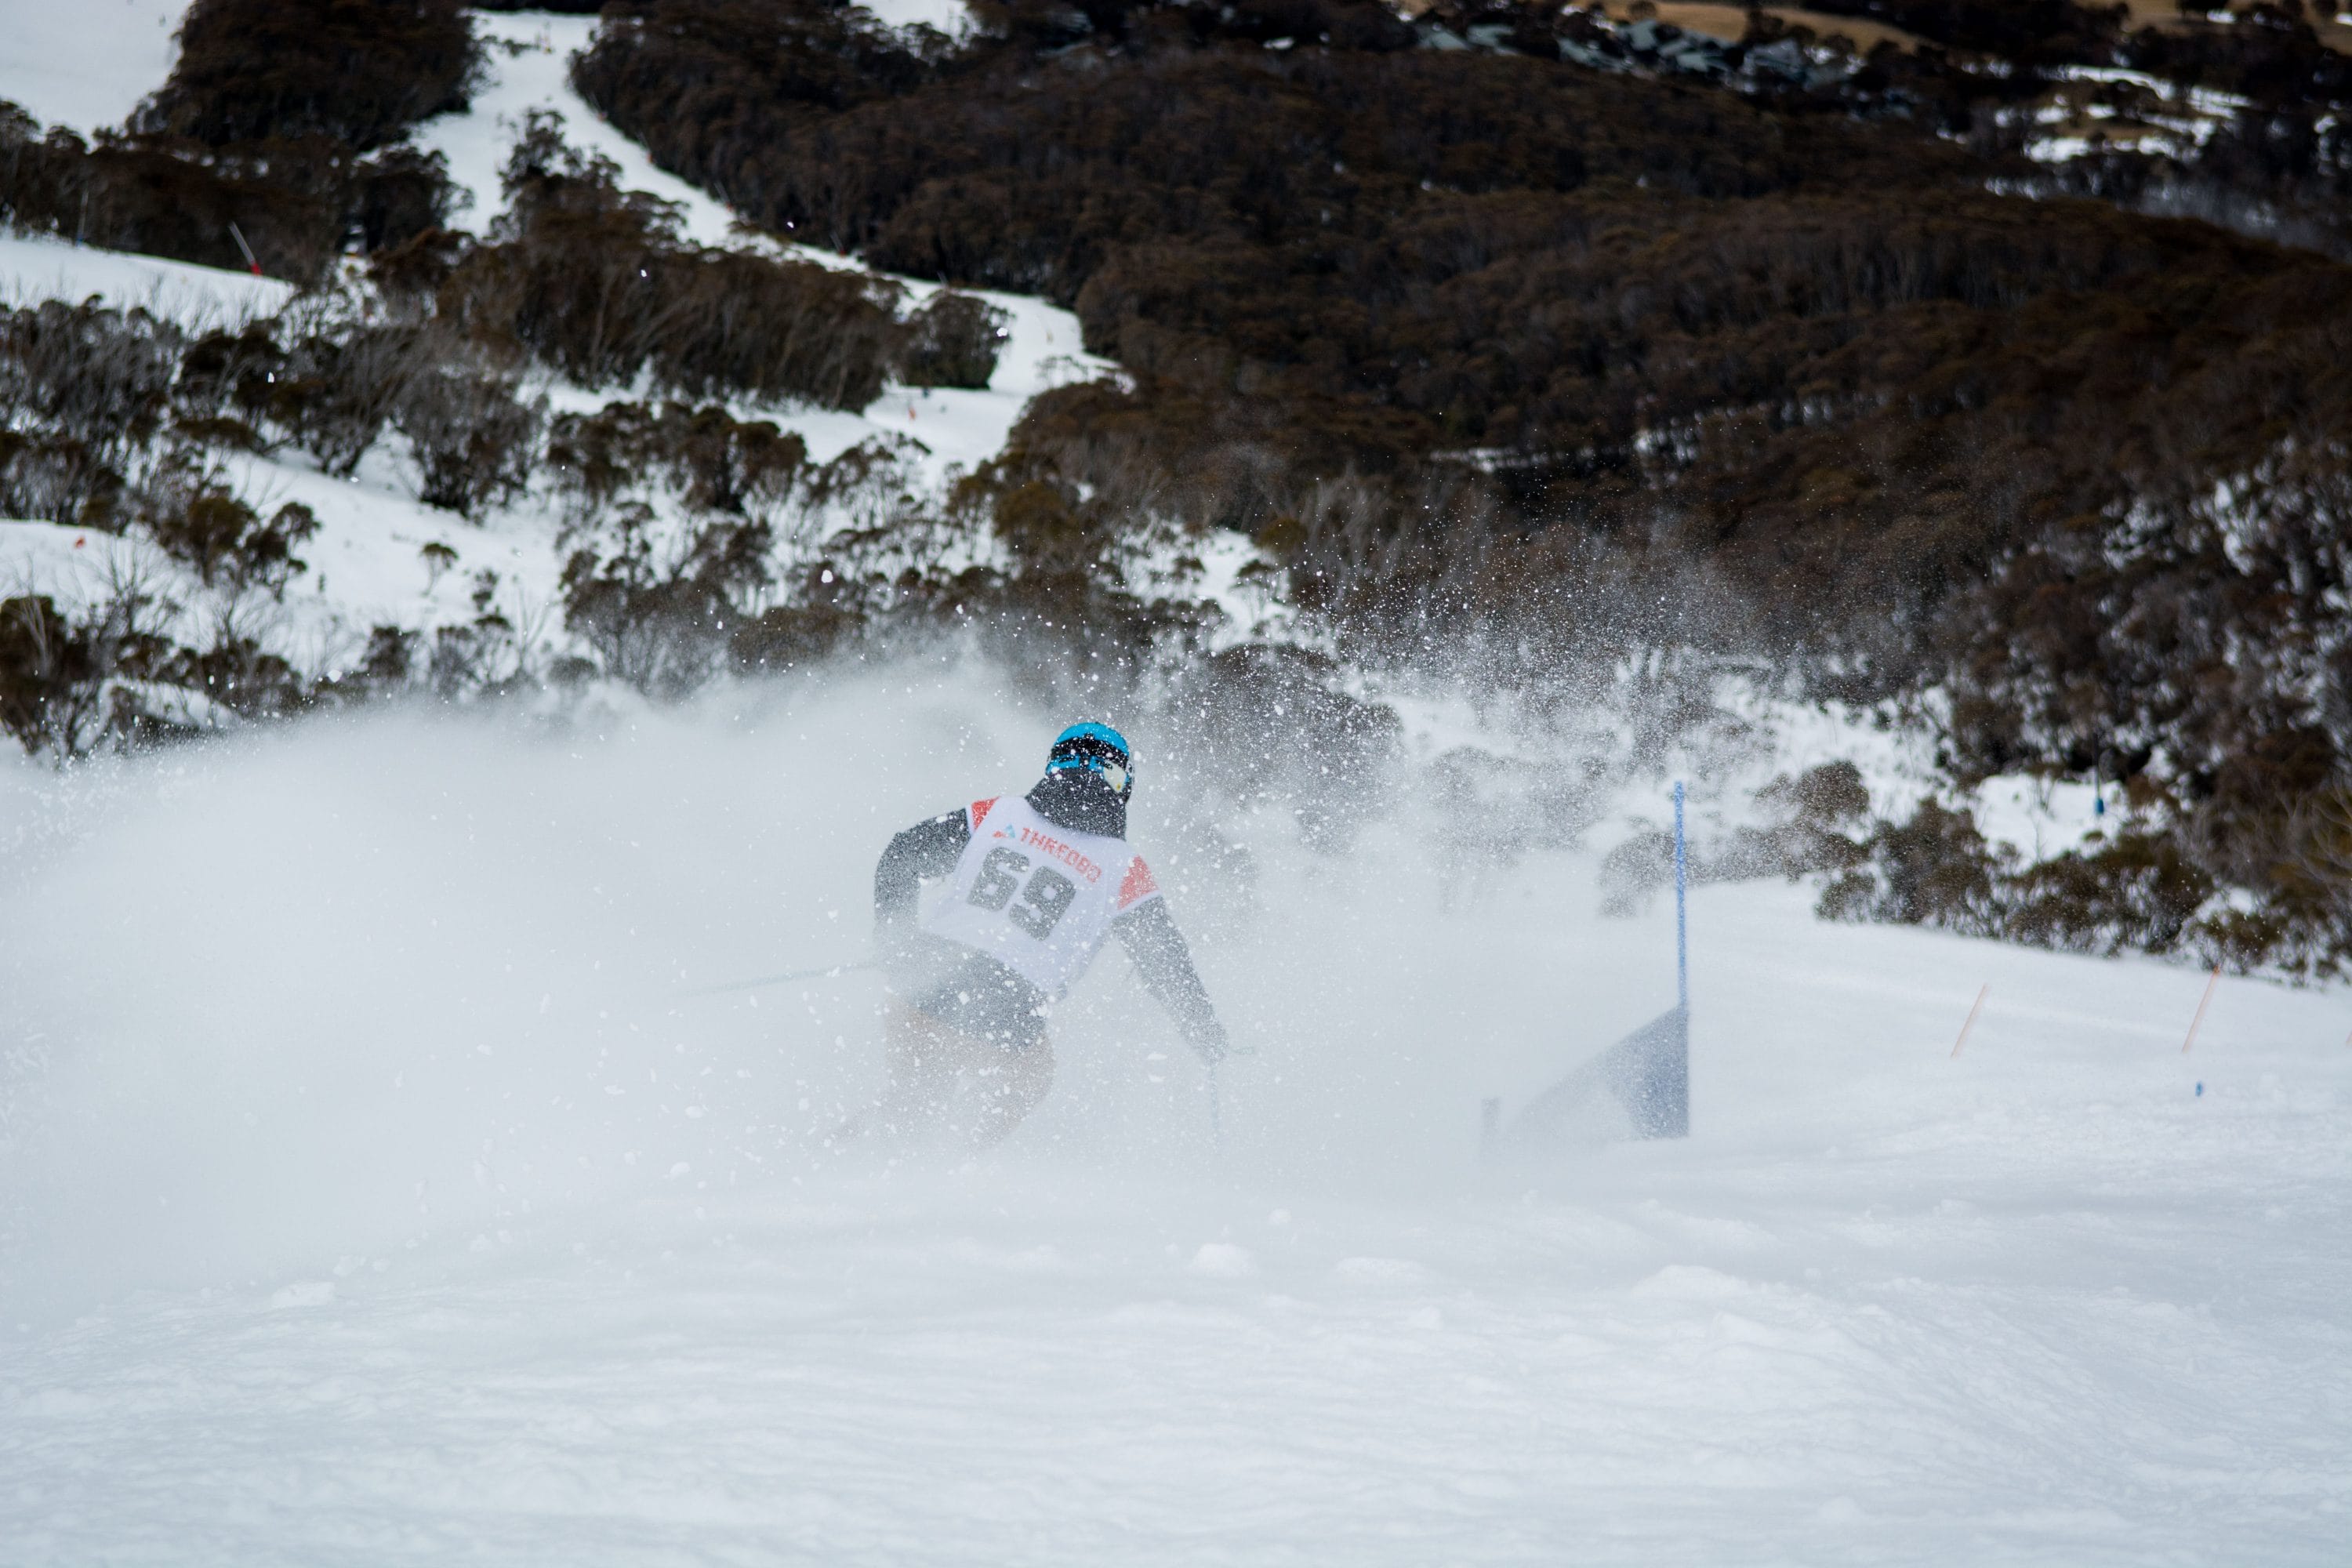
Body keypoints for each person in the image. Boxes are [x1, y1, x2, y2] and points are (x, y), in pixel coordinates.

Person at [849, 721, 1228, 1149]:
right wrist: (1205, 1034)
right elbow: (1166, 964)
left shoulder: (997, 813)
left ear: (1054, 768)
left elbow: (902, 853)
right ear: (1120, 785)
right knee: (1029, 1078)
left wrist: (895, 942)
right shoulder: (1125, 869)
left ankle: (832, 1159)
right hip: (1007, 1006)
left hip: (926, 979)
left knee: (909, 1106)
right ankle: (949, 1167)